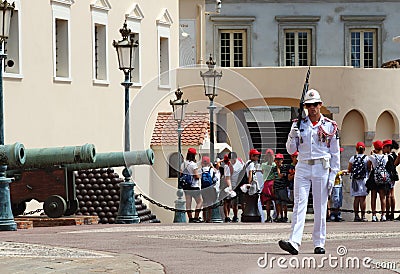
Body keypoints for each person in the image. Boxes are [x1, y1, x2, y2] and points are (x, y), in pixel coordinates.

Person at [278, 89, 340, 255]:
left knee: (320, 206)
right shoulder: (298, 123)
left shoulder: (329, 125)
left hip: (321, 166)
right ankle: (294, 242)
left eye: (315, 104)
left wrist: (333, 175)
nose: (312, 108)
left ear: (320, 105)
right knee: (299, 204)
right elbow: (291, 151)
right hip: (303, 166)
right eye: (309, 105)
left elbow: (335, 153)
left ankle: (319, 243)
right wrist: (292, 136)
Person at [368, 140, 390, 222]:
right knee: (382, 197)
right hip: (382, 177)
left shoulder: (372, 157)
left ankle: (374, 215)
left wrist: (372, 154)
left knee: (373, 197)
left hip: (374, 177)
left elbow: (369, 166)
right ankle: (383, 215)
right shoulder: (385, 157)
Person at [348, 142, 369, 222]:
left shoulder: (352, 158)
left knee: (356, 198)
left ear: (356, 149)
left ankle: (356, 216)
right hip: (364, 180)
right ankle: (363, 216)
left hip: (355, 180)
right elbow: (369, 168)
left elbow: (350, 170)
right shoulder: (366, 158)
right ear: (364, 149)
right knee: (363, 198)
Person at [181, 148, 203, 223]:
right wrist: (200, 176)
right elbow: (196, 176)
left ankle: (190, 218)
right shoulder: (194, 165)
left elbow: (181, 174)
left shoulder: (183, 164)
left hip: (186, 186)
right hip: (194, 186)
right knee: (200, 201)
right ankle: (196, 217)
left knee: (188, 202)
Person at [223, 152, 244, 222]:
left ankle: (235, 216)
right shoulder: (227, 166)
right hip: (228, 185)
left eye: (233, 159)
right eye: (230, 159)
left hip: (237, 185)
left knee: (235, 203)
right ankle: (227, 217)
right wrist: (230, 187)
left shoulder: (240, 162)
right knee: (227, 202)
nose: (232, 161)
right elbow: (227, 178)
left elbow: (243, 171)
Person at [382, 139, 400, 221]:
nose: (383, 149)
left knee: (388, 196)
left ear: (388, 147)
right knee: (392, 195)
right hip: (393, 176)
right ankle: (392, 213)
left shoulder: (387, 156)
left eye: (384, 147)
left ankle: (388, 213)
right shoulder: (394, 155)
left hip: (388, 176)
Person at [272, 153, 289, 222]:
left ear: (282, 160)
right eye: (276, 159)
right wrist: (273, 187)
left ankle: (285, 216)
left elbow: (280, 176)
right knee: (278, 203)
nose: (278, 161)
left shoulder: (284, 167)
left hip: (282, 187)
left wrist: (278, 169)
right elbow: (274, 177)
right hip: (276, 187)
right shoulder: (273, 169)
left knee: (284, 203)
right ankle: (280, 216)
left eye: (279, 159)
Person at [200, 156, 217, 223]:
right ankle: (209, 218)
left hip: (203, 188)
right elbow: (215, 179)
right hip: (210, 188)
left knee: (204, 203)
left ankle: (204, 218)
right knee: (210, 203)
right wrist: (212, 166)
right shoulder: (211, 170)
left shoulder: (200, 170)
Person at [261, 149, 276, 222]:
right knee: (276, 201)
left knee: (268, 202)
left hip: (266, 184)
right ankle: (276, 215)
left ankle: (268, 216)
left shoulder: (263, 165)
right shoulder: (274, 165)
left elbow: (262, 173)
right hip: (273, 183)